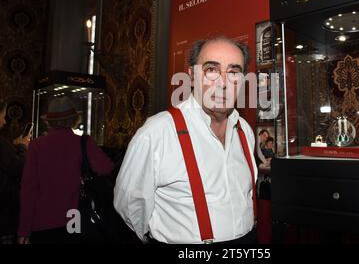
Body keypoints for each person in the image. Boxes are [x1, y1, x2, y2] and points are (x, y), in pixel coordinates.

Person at [114, 36, 257, 244]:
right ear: (191, 75)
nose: (223, 84)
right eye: (211, 70)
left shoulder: (244, 130)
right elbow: (130, 208)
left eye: (234, 72)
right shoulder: (157, 132)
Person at [17, 96, 114, 244]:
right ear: (74, 119)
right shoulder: (83, 142)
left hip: (42, 221)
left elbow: (28, 190)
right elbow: (107, 168)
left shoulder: (36, 146)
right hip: (73, 218)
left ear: (49, 121)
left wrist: (24, 230)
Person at [0, 99, 30, 244]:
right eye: (3, 116)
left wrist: (14, 146)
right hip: (4, 217)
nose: (5, 121)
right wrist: (23, 147)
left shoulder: (4, 145)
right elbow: (19, 167)